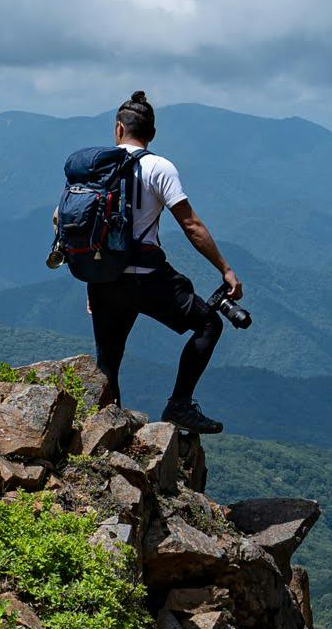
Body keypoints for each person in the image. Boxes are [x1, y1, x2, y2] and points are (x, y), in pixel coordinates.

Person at [87, 90, 243, 432]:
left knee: (108, 361)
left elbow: (80, 227)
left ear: (117, 129)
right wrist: (225, 269)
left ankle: (107, 431)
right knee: (208, 324)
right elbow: (191, 224)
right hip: (148, 279)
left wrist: (92, 278)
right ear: (152, 134)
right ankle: (180, 406)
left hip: (104, 280)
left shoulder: (95, 168)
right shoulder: (158, 167)